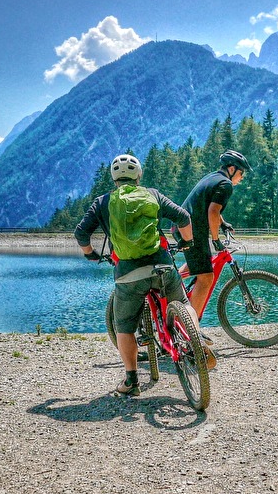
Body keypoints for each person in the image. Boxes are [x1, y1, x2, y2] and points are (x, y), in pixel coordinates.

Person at [74, 153, 198, 397]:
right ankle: (197, 344)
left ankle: (132, 381)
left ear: (114, 178)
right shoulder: (153, 194)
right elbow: (184, 217)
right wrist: (187, 242)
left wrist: (90, 254)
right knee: (183, 302)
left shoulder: (102, 202)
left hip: (128, 274)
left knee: (125, 327)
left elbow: (81, 234)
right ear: (138, 175)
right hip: (162, 266)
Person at [181, 148, 250, 322]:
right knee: (206, 277)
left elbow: (210, 207)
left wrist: (223, 223)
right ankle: (191, 327)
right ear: (232, 169)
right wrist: (216, 239)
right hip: (193, 230)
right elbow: (212, 210)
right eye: (241, 173)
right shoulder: (225, 184)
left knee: (198, 264)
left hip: (184, 226)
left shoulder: (213, 177)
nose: (241, 178)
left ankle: (173, 284)